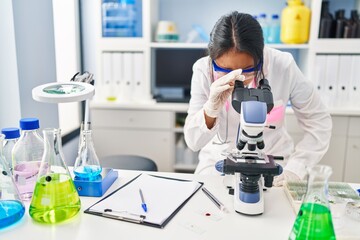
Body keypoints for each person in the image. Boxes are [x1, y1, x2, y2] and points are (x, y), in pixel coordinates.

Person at [183, 11, 332, 186]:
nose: (237, 78)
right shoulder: (203, 70)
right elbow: (193, 141)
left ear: (260, 56)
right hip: (219, 161)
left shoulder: (283, 65)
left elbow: (319, 121)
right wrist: (210, 109)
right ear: (213, 57)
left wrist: (297, 167)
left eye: (247, 70)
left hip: (274, 162)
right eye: (225, 69)